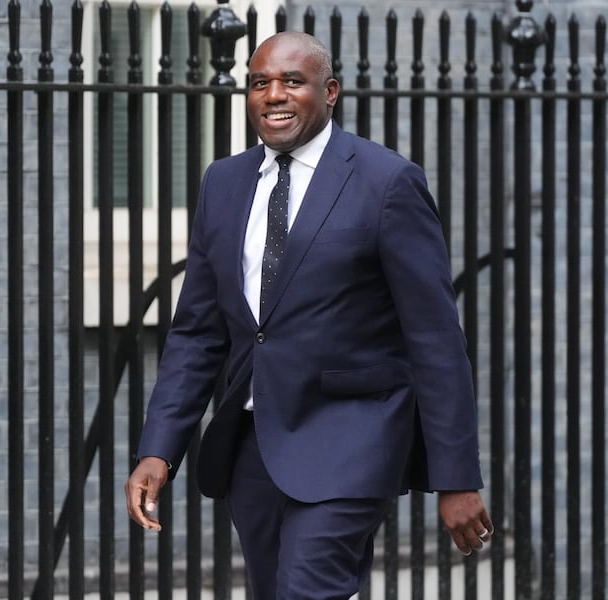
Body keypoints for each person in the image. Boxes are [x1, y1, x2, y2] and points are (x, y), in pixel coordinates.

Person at [125, 31, 493, 599]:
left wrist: (457, 478)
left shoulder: (386, 182)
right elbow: (197, 333)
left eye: (292, 81)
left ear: (331, 91)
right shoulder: (223, 183)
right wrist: (159, 448)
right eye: (260, 83)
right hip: (253, 445)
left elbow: (436, 340)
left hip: (350, 442)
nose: (274, 95)